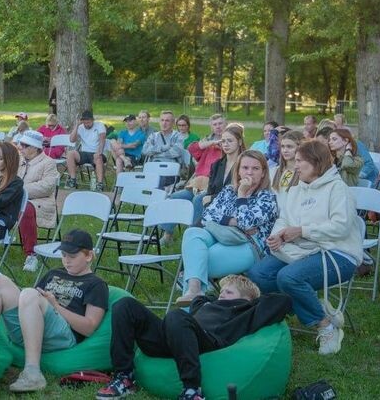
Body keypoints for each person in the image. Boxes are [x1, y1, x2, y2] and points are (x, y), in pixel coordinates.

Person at [247, 139, 361, 355]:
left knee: (289, 277)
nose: (295, 165)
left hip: (338, 252)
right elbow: (284, 219)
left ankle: (325, 325)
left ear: (317, 163)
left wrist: (301, 231)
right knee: (258, 273)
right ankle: (310, 304)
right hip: (301, 250)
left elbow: (341, 227)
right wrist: (277, 236)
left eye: (301, 161)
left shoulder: (338, 189)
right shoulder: (297, 190)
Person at [98, 275, 291, 400]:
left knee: (176, 315)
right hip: (172, 338)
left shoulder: (246, 311)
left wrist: (254, 299)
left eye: (229, 292)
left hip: (205, 342)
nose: (222, 295)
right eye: (221, 291)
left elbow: (283, 301)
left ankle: (192, 390)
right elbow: (200, 299)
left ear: (247, 299)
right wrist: (211, 298)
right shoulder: (206, 304)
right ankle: (124, 377)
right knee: (124, 305)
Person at [0, 229, 108, 393]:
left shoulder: (96, 284)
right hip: (33, 329)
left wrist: (56, 306)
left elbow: (89, 328)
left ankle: (32, 373)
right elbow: (29, 304)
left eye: (72, 256)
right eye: (63, 255)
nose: (66, 260)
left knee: (28, 293)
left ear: (89, 256)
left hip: (63, 334)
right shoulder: (54, 273)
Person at [174, 151, 279, 306]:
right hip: (218, 235)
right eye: (245, 168)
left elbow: (246, 223)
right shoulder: (229, 191)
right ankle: (195, 292)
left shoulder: (267, 198)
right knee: (192, 232)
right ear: (238, 171)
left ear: (263, 173)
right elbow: (208, 215)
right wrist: (233, 221)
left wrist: (242, 195)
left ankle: (191, 308)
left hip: (248, 245)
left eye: (255, 168)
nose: (249, 172)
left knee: (196, 262)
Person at [165, 124, 247, 243]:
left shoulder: (244, 165)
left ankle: (194, 237)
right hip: (213, 202)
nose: (226, 144)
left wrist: (211, 197)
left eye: (230, 141)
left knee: (199, 200)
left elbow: (237, 191)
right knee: (197, 201)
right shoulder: (217, 164)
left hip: (232, 204)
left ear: (239, 142)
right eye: (223, 141)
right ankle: (178, 235)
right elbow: (211, 188)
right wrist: (209, 195)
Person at [15, 130, 60, 272]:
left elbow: (46, 187)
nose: (20, 147)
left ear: (35, 147)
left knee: (26, 208)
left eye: (24, 145)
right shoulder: (18, 161)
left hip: (40, 202)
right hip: (16, 199)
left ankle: (31, 254)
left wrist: (18, 189)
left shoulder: (49, 163)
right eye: (20, 144)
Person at [141, 111, 190, 188]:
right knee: (147, 178)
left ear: (173, 123)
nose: (164, 123)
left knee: (157, 179)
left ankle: (155, 198)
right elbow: (145, 150)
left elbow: (175, 152)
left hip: (170, 172)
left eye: (167, 120)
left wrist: (155, 153)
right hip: (153, 169)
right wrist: (163, 147)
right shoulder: (153, 136)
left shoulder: (178, 136)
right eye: (162, 120)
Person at [64, 110, 107, 191]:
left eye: (88, 122)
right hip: (85, 153)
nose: (87, 124)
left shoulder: (99, 125)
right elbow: (72, 140)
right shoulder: (80, 127)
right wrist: (76, 125)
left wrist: (99, 152)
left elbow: (102, 140)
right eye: (85, 122)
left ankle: (100, 184)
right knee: (70, 154)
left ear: (92, 120)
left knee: (98, 157)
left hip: (97, 152)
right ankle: (73, 180)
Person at [187, 114, 228, 186]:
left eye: (220, 123)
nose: (218, 127)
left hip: (214, 183)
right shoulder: (207, 140)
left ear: (226, 125)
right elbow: (191, 148)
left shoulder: (231, 141)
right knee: (174, 196)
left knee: (196, 198)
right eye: (215, 125)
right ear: (211, 128)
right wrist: (212, 143)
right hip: (199, 179)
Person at [271, 130, 304, 197]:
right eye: (283, 146)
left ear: (299, 147)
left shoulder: (304, 173)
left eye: (289, 147)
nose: (285, 150)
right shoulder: (273, 171)